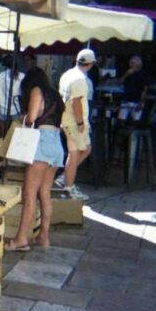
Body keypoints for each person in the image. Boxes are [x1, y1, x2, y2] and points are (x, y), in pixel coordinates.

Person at [5, 67, 65, 251]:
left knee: (29, 194)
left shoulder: (37, 90)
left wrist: (25, 117)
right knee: (44, 192)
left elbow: (31, 118)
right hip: (56, 143)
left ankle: (21, 239)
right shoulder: (55, 94)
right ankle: (43, 237)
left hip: (42, 141)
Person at [56, 48, 95, 200]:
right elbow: (76, 101)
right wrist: (80, 122)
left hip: (66, 119)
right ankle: (68, 186)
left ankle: (66, 179)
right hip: (74, 121)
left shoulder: (67, 74)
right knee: (77, 153)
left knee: (82, 150)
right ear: (90, 64)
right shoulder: (80, 79)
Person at [0, 54, 24, 136]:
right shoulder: (22, 76)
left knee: (3, 135)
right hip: (17, 110)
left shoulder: (1, 76)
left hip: (3, 110)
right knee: (16, 135)